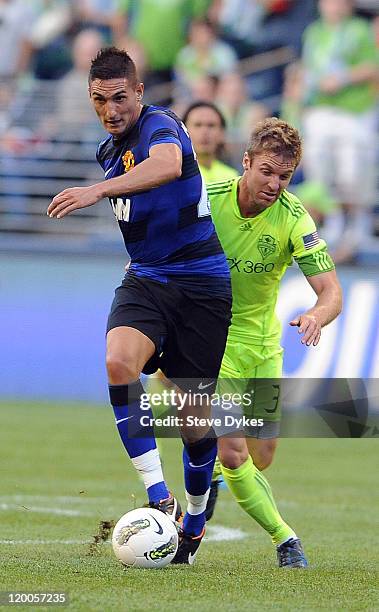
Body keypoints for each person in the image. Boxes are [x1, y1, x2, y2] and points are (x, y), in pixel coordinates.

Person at [47, 47, 232, 564]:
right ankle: (159, 497)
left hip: (201, 289)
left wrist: (96, 192)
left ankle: (194, 522)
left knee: (193, 420)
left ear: (140, 92)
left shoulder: (161, 126)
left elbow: (169, 165)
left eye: (120, 97)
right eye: (100, 99)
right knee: (117, 362)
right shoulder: (108, 149)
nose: (111, 109)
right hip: (147, 281)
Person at [204, 117, 342, 567]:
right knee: (232, 447)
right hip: (214, 342)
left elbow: (331, 292)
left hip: (263, 346)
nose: (273, 183)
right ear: (245, 163)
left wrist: (317, 317)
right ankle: (287, 540)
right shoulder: (209, 200)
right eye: (266, 171)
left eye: (284, 176)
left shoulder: (294, 218)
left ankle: (212, 477)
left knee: (260, 457)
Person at [301, 0, 379, 263]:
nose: (332, 6)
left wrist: (343, 78)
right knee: (319, 168)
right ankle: (333, 223)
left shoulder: (359, 29)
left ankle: (359, 226)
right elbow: (308, 69)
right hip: (322, 108)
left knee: (352, 173)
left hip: (354, 111)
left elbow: (372, 67)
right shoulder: (313, 32)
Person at [182, 101, 238, 183]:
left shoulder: (232, 177)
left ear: (222, 133)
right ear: (183, 131)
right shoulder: (176, 175)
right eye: (198, 125)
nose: (204, 132)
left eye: (211, 125)